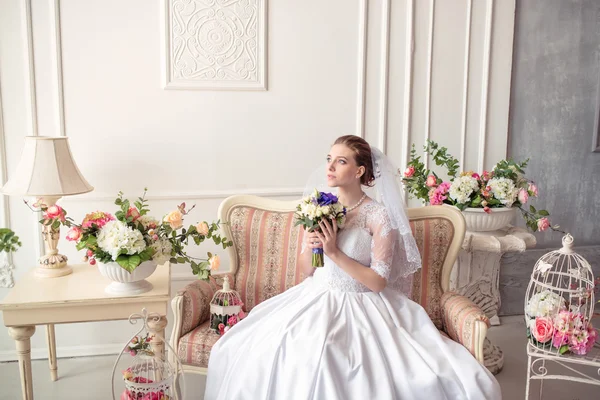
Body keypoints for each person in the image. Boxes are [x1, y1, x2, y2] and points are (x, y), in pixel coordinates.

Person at [204, 135, 501, 399]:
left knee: (350, 362)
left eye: (341, 161)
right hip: (315, 296)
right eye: (329, 159)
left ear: (359, 171)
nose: (330, 167)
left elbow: (377, 282)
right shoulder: (318, 205)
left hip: (364, 304)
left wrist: (333, 252)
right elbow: (305, 270)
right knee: (270, 347)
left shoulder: (378, 216)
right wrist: (314, 245)